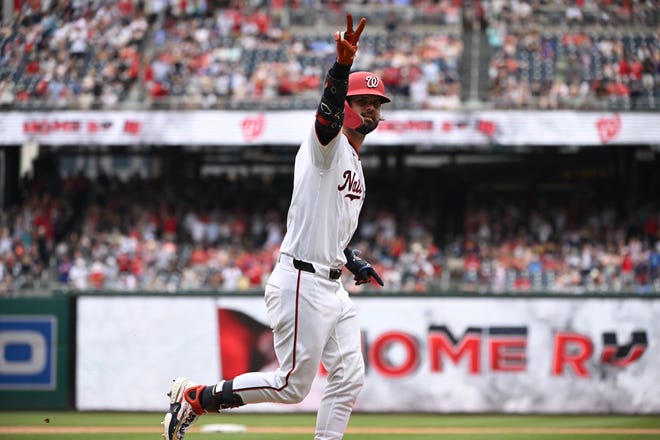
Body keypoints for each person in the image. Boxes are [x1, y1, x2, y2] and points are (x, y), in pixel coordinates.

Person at [162, 14, 388, 440]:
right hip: (301, 279)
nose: (373, 109)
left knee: (349, 376)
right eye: (365, 102)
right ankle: (197, 397)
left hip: (329, 281)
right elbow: (326, 118)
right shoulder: (328, 145)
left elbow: (329, 222)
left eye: (377, 103)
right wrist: (340, 72)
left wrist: (353, 260)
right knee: (291, 385)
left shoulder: (353, 160)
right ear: (346, 107)